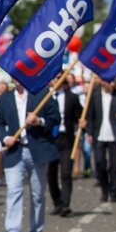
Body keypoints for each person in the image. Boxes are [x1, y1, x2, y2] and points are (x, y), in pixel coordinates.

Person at [0, 80, 61, 232]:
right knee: (14, 191)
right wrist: (5, 138)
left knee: (37, 194)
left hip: (37, 150)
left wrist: (39, 121)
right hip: (15, 152)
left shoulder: (42, 93)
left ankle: (36, 231)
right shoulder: (6, 98)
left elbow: (55, 118)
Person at [82, 78, 116, 203]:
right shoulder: (95, 95)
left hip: (115, 135)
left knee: (115, 165)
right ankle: (104, 190)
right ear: (103, 82)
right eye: (110, 81)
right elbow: (90, 115)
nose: (112, 84)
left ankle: (114, 192)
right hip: (99, 134)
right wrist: (89, 132)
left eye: (113, 82)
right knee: (99, 163)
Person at [47, 72, 83, 218]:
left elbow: (79, 115)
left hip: (66, 138)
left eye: (60, 77)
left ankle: (65, 204)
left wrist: (82, 122)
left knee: (66, 172)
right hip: (50, 139)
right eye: (55, 77)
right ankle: (57, 202)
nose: (57, 80)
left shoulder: (72, 97)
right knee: (51, 173)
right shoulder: (44, 97)